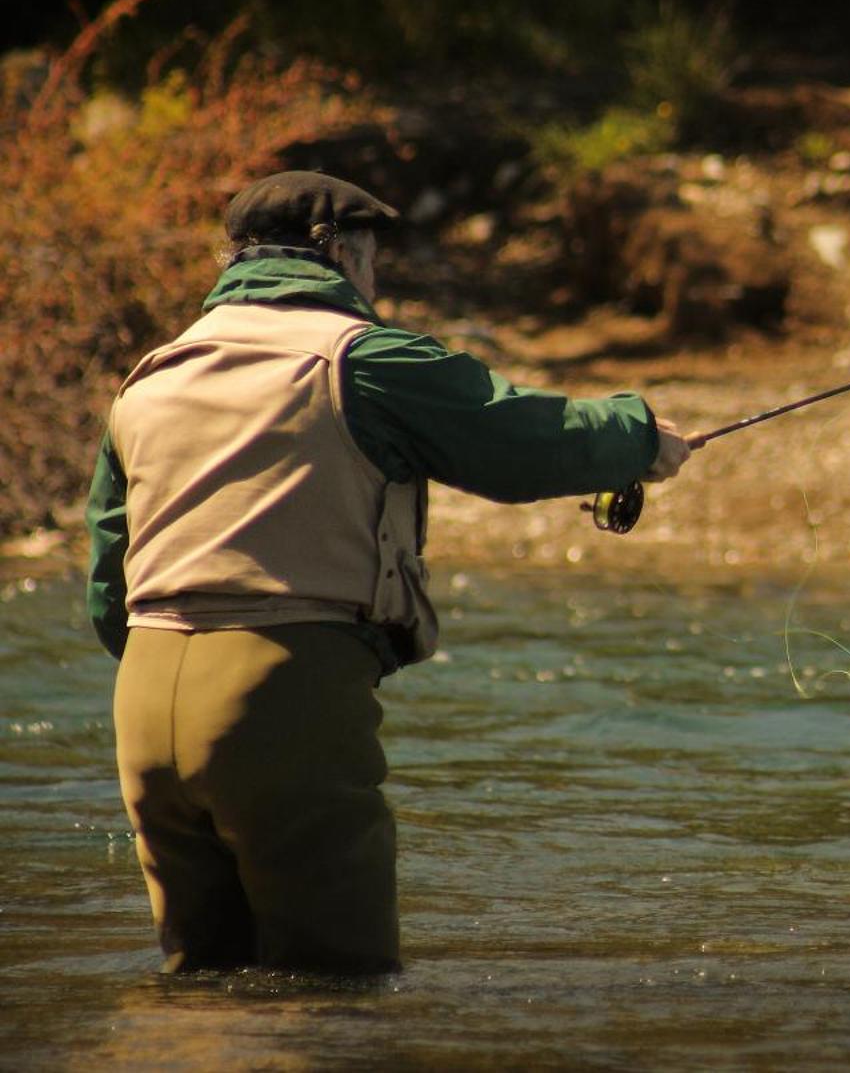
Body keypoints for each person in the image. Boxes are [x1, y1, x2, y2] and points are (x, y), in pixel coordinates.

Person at [84, 171, 693, 974]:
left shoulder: (153, 376)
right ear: (341, 253)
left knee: (205, 986)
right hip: (281, 693)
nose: (374, 283)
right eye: (370, 262)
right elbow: (515, 436)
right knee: (337, 991)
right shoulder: (361, 359)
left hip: (144, 711)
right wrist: (639, 434)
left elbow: (106, 585)